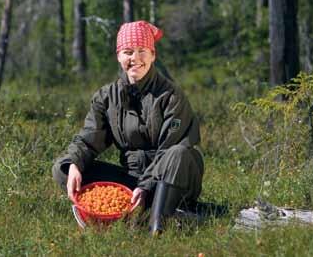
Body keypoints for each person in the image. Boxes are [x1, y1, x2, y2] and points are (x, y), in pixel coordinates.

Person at [52, 20, 204, 234]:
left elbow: (171, 149)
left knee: (177, 153)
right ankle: (138, 212)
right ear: (119, 56)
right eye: (128, 51)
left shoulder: (171, 96)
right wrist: (75, 163)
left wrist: (147, 185)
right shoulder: (106, 97)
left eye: (142, 50)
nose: (135, 58)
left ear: (153, 55)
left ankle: (155, 227)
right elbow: (88, 138)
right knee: (63, 168)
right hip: (133, 180)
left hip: (173, 179)